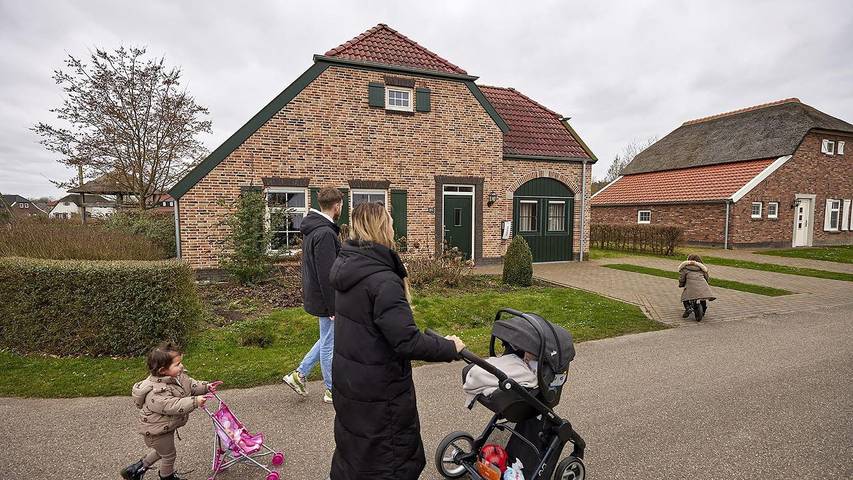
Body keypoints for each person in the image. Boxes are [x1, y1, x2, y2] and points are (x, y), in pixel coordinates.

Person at [328, 202, 465, 480]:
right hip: (380, 387)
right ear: (381, 227)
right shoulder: (382, 280)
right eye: (390, 222)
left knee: (358, 451)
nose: (393, 227)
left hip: (352, 379)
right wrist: (451, 348)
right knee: (387, 458)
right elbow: (407, 342)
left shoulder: (349, 269)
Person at [283, 187, 344, 404]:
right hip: (325, 299)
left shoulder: (315, 229)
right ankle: (331, 390)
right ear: (337, 205)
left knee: (327, 338)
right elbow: (327, 273)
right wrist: (333, 307)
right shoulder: (325, 233)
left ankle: (299, 375)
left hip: (317, 296)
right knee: (329, 343)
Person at [121, 342, 213, 480]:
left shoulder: (177, 377)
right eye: (177, 364)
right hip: (155, 432)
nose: (181, 366)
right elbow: (173, 405)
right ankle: (167, 477)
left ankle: (135, 470)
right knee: (169, 455)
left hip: (163, 427)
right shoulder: (156, 392)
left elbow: (191, 385)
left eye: (180, 362)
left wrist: (206, 387)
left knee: (162, 452)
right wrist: (195, 401)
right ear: (163, 371)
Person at [678, 253, 716, 318]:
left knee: (685, 297)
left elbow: (682, 278)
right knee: (703, 297)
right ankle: (703, 310)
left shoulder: (685, 269)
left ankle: (688, 308)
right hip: (702, 285)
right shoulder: (702, 269)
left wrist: (681, 284)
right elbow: (706, 277)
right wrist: (706, 283)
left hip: (690, 287)